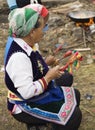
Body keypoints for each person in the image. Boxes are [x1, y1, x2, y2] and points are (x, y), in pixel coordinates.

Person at [4, 4, 82, 130]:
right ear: (32, 31)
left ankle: (45, 123)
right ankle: (39, 124)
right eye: (42, 27)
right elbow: (27, 92)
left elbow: (30, 68)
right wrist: (48, 77)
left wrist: (45, 63)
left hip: (34, 89)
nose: (44, 31)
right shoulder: (18, 57)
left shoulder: (27, 43)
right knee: (74, 117)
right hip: (24, 103)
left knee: (74, 92)